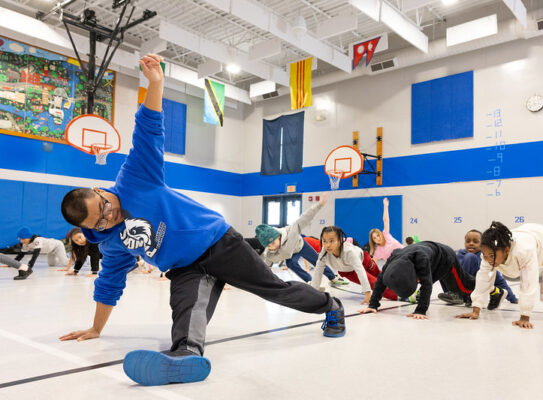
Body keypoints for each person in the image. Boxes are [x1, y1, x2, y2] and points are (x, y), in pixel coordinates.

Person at [58, 54, 346, 387]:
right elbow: (109, 283)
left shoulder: (136, 177)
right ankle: (186, 356)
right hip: (185, 267)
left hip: (219, 243)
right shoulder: (112, 241)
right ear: (92, 229)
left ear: (100, 190)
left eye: (106, 206)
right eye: (101, 222)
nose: (111, 215)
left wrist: (155, 83)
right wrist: (96, 328)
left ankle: (331, 305)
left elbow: (148, 128)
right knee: (185, 307)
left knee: (275, 291)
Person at [456, 222, 543, 329]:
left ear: (507, 250)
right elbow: (483, 279)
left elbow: (527, 284)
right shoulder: (488, 255)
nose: (488, 259)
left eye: (491, 256)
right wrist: (476, 309)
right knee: (509, 274)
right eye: (485, 255)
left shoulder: (523, 251)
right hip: (532, 235)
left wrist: (525, 316)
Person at [358, 241, 505, 319]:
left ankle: (495, 291)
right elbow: (380, 281)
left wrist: (421, 310)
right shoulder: (393, 260)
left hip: (444, 257)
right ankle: (492, 290)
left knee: (463, 288)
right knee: (456, 285)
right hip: (431, 256)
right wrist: (373, 305)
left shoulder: (420, 259)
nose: (418, 282)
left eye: (416, 281)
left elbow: (427, 283)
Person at [256, 194, 348, 288]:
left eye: (273, 243)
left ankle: (333, 278)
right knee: (291, 264)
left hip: (301, 246)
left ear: (278, 237)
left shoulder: (291, 231)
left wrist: (319, 204)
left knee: (318, 260)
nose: (272, 247)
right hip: (290, 255)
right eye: (268, 245)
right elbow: (265, 268)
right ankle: (311, 281)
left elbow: (305, 217)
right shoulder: (269, 254)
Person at [313, 226, 398, 304]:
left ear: (339, 241)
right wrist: (313, 292)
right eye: (324, 241)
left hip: (364, 259)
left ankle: (402, 285)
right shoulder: (323, 253)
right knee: (374, 283)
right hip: (349, 271)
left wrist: (367, 293)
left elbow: (360, 270)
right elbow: (318, 271)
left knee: (381, 275)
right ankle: (399, 295)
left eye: (331, 241)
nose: (327, 245)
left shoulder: (348, 252)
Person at [438, 229, 518, 305]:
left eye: (475, 242)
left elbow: (499, 280)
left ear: (482, 244)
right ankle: (451, 294)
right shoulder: (459, 254)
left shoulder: (485, 258)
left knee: (470, 257)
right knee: (444, 262)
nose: (471, 243)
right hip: (456, 287)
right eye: (468, 241)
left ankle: (465, 296)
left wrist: (512, 298)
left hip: (471, 290)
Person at [368, 198, 404, 263]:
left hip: (405, 253)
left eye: (378, 235)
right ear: (373, 241)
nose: (377, 238)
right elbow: (373, 265)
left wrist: (385, 206)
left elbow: (386, 220)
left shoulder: (385, 234)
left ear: (381, 234)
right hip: (397, 264)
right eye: (374, 238)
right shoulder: (378, 251)